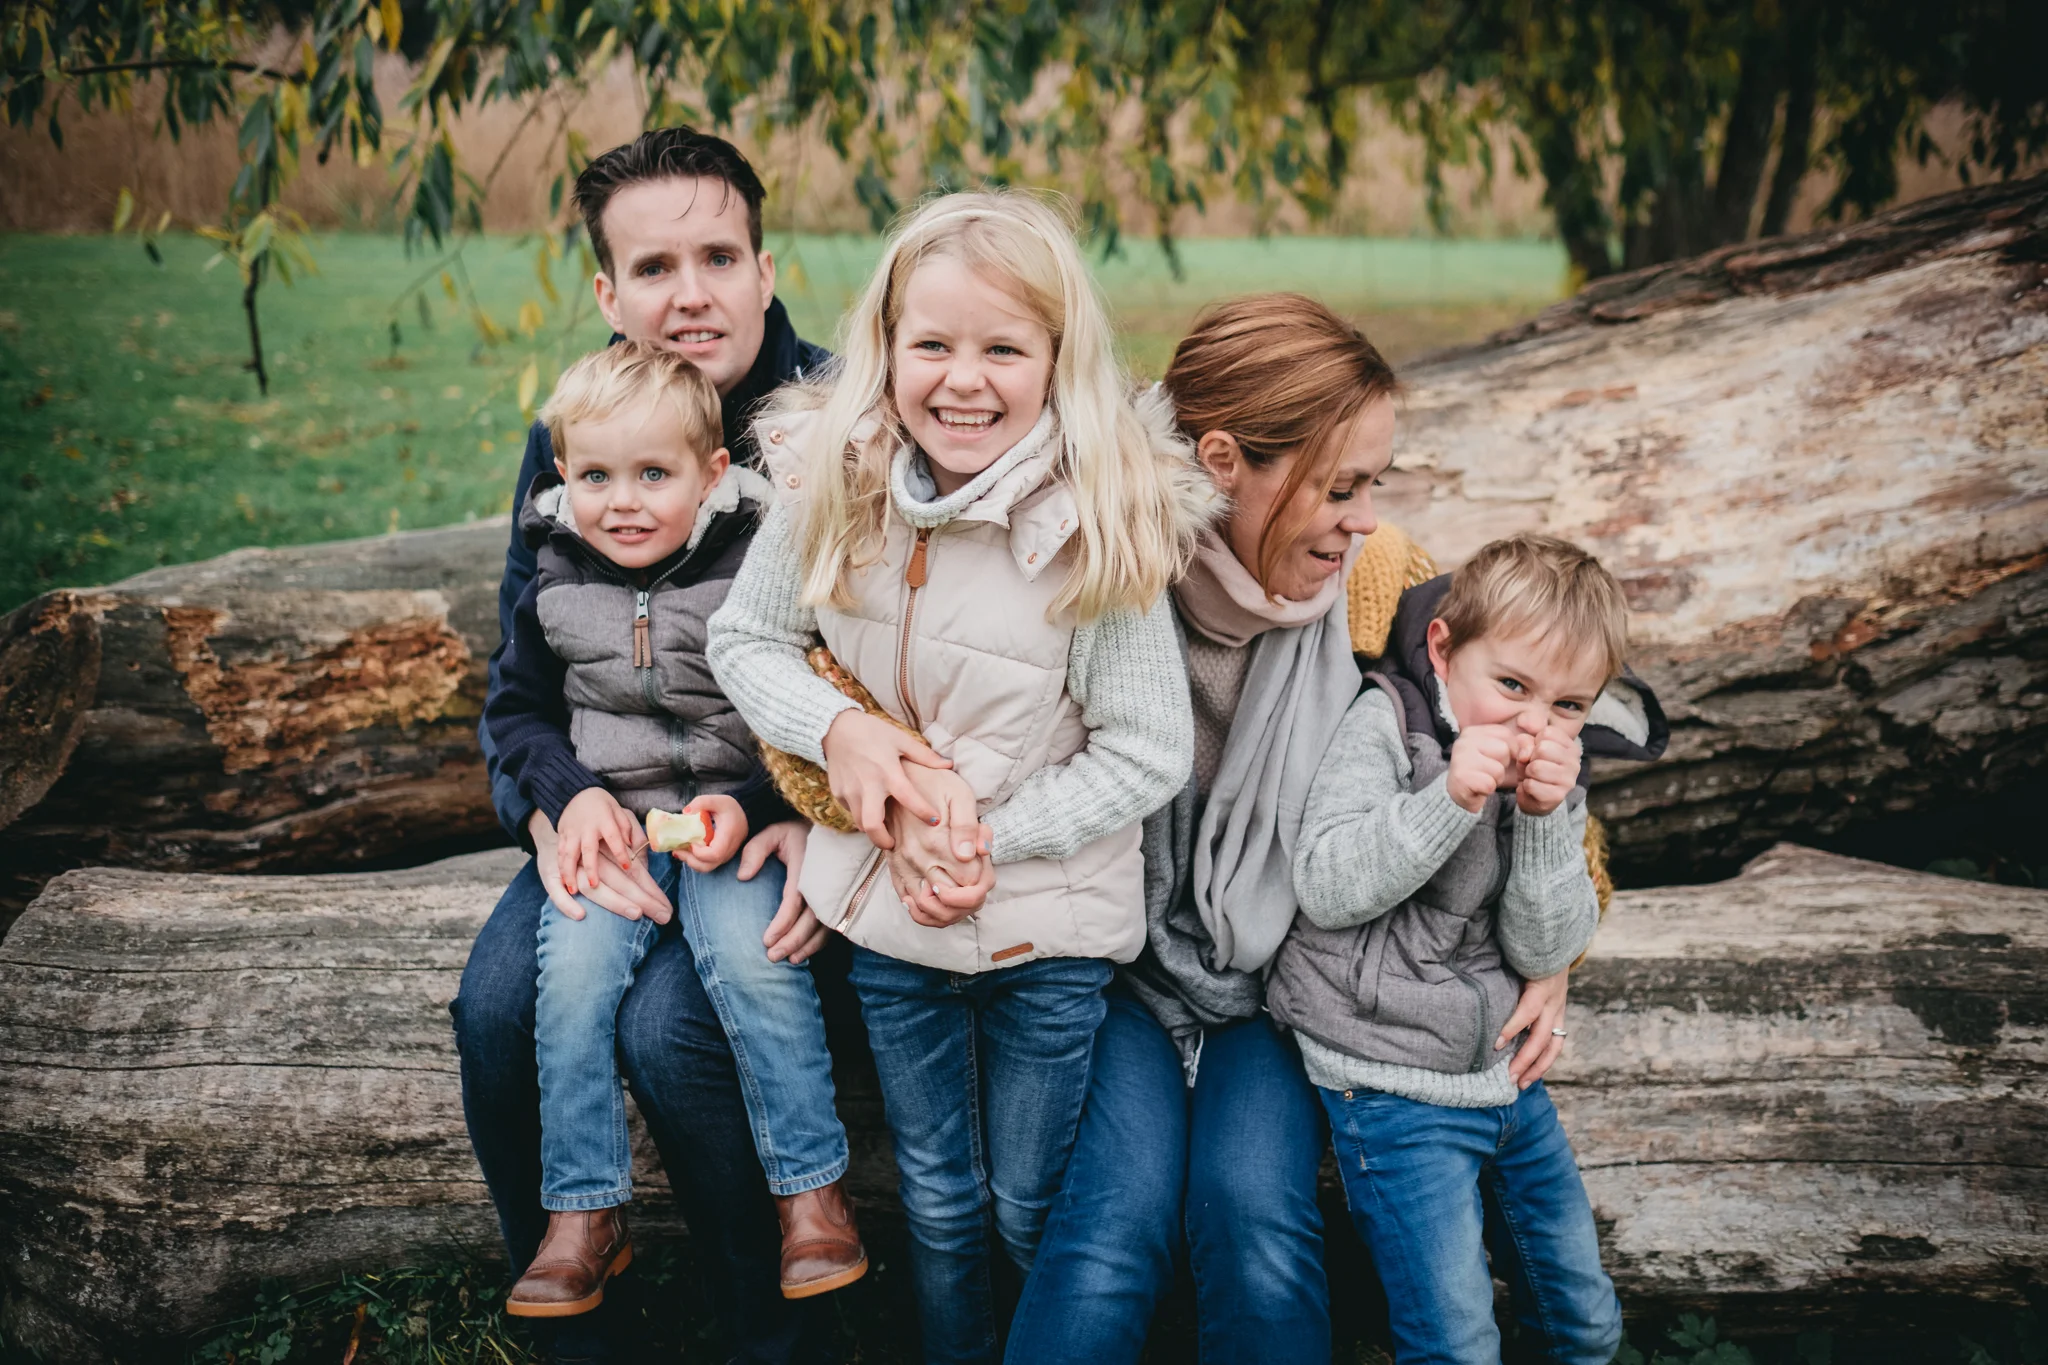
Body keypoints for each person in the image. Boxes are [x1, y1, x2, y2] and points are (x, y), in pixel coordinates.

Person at [1006, 295, 1582, 1365]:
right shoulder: (1102, 567)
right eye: (1338, 486)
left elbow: (1528, 727)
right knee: (1110, 1228)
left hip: (1287, 981)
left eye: (1375, 486)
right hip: (1114, 966)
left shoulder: (1381, 582)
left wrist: (1553, 956)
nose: (1362, 516)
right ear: (1221, 462)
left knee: (1251, 1215)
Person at [706, 189, 1209, 1365]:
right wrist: (843, 735)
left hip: (1044, 936)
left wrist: (984, 833)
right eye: (930, 345)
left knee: (1028, 1206)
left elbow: (1148, 748)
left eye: (1002, 348)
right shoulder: (835, 477)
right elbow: (746, 639)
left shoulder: (1097, 522)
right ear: (884, 345)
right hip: (889, 923)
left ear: (1057, 359)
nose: (961, 380)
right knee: (936, 1199)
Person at [451, 126, 834, 1365]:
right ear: (607, 293)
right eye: (653, 267)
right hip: (608, 802)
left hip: (770, 814)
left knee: (673, 1030)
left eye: (717, 256)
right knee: (495, 1003)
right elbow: (520, 688)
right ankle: (569, 1304)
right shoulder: (575, 437)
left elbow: (879, 672)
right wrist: (555, 804)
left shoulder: (834, 422)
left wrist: (812, 814)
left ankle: (771, 1324)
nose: (691, 294)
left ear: (765, 268)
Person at [482, 342, 865, 1318]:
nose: (624, 501)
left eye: (654, 475)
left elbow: (811, 699)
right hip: (613, 831)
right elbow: (518, 714)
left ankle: (809, 1192)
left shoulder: (756, 561)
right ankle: (581, 1212)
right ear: (563, 474)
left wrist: (757, 803)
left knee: (753, 963)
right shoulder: (555, 575)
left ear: (709, 475)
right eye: (597, 475)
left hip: (728, 825)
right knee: (566, 984)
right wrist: (569, 797)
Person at [1268, 533, 1662, 1365]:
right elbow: (1328, 884)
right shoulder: (1388, 722)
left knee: (1586, 1325)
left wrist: (1551, 822)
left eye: (1567, 705)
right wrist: (1450, 799)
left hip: (1502, 1071)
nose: (1534, 722)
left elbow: (1543, 943)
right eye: (1512, 685)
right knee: (1455, 1342)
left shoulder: (1555, 768)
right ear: (1445, 651)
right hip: (1389, 1079)